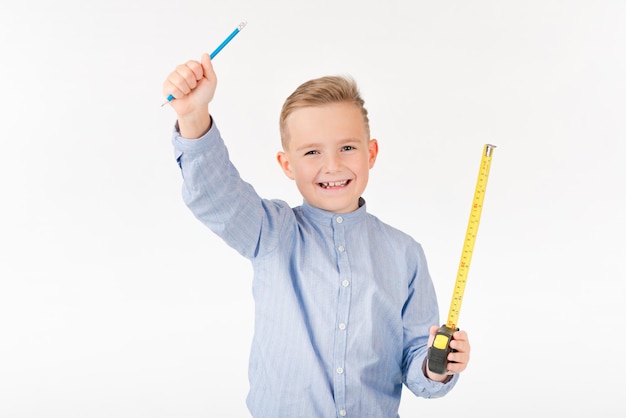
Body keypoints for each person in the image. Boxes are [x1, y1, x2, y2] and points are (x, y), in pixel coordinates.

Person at [163, 53, 470, 418]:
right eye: (312, 151)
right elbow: (215, 195)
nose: (333, 165)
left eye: (347, 147)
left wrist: (436, 365)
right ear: (287, 165)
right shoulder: (270, 232)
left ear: (370, 153)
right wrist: (194, 115)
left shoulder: (405, 253)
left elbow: (418, 357)